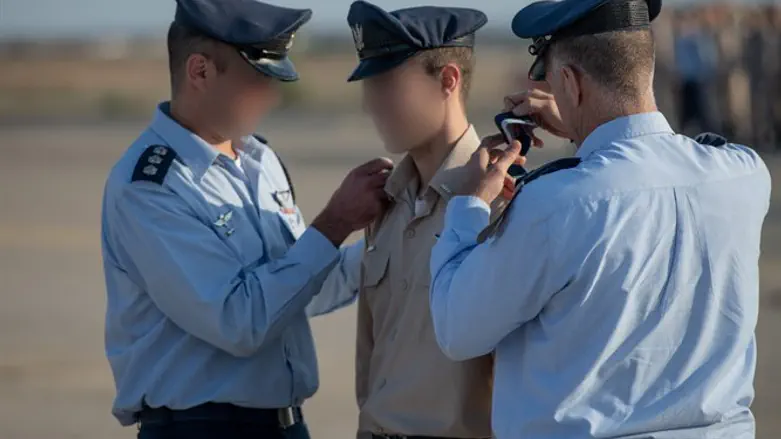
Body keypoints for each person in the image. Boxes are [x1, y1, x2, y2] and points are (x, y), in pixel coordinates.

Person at [428, 0, 772, 438]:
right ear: (644, 67)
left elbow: (457, 328)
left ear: (570, 83)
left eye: (552, 80)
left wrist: (467, 205)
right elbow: (649, 167)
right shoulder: (743, 175)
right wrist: (585, 127)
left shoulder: (554, 203)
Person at [100, 0, 390, 438]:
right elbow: (240, 322)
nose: (272, 95)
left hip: (285, 424)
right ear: (199, 71)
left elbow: (298, 291)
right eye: (258, 78)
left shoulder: (258, 159)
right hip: (202, 427)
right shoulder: (151, 187)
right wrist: (334, 223)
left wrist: (394, 235)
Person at [332, 2, 505, 438]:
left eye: (387, 84)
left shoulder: (497, 202)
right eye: (369, 86)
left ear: (448, 80)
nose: (371, 105)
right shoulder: (385, 204)